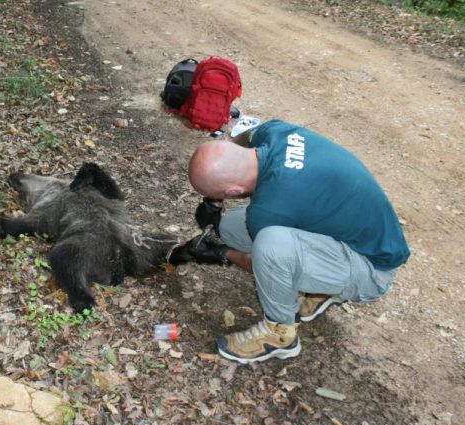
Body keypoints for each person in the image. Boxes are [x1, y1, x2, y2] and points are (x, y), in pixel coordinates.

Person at [171, 119, 410, 364]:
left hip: (373, 268)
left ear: (232, 191)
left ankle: (280, 334)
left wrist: (222, 254)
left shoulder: (269, 212)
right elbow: (240, 142)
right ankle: (320, 287)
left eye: (222, 195)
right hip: (350, 234)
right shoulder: (274, 132)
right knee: (230, 227)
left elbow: (260, 263)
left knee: (271, 246)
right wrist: (213, 201)